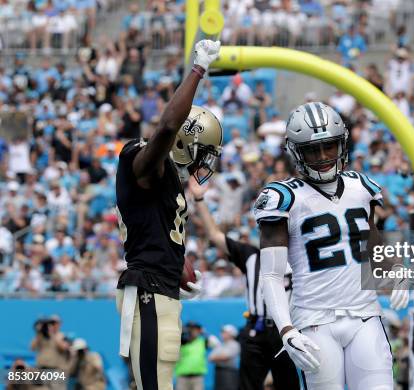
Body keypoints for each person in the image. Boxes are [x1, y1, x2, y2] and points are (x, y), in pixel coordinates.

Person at [253, 102, 409, 389]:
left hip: (364, 315)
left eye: (329, 146)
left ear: (343, 144)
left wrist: (396, 268)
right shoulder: (282, 197)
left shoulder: (361, 187)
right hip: (314, 322)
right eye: (312, 149)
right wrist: (286, 330)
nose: (323, 156)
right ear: (296, 151)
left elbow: (373, 248)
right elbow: (272, 274)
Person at [114, 39, 222, 390]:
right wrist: (198, 69)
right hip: (148, 290)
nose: (206, 161)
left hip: (161, 289)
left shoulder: (170, 180)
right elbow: (164, 129)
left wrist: (177, 268)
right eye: (204, 151)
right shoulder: (142, 160)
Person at [188, 179, 299, 390]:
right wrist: (200, 198)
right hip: (255, 328)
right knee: (247, 385)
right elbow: (214, 235)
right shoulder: (251, 255)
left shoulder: (296, 256)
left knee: (289, 384)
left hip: (286, 329)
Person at [30, 315, 70, 390]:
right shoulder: (41, 336)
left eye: (54, 323)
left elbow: (64, 348)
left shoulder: (62, 336)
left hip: (57, 370)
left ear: (59, 324)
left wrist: (52, 334)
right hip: (42, 369)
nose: (52, 325)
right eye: (51, 323)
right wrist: (39, 332)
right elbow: (32, 348)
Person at [175, 322, 209, 390]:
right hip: (182, 377)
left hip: (198, 377)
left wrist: (205, 333)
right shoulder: (180, 342)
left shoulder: (202, 342)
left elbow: (216, 343)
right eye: (192, 329)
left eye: (197, 330)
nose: (194, 332)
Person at [209, 325, 241, 390]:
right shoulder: (220, 345)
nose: (222, 334)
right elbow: (210, 358)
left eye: (225, 332)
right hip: (219, 372)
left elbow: (225, 357)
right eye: (222, 332)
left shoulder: (234, 344)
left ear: (231, 334)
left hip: (229, 373)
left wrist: (217, 357)